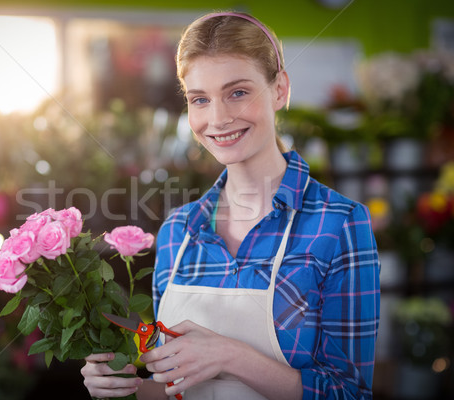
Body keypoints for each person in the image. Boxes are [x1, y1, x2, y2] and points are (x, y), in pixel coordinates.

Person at [82, 10, 380, 400]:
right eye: (200, 99)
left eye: (238, 92)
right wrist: (126, 388)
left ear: (280, 90)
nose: (217, 118)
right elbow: (173, 386)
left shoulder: (338, 225)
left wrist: (231, 355)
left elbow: (351, 394)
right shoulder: (179, 230)